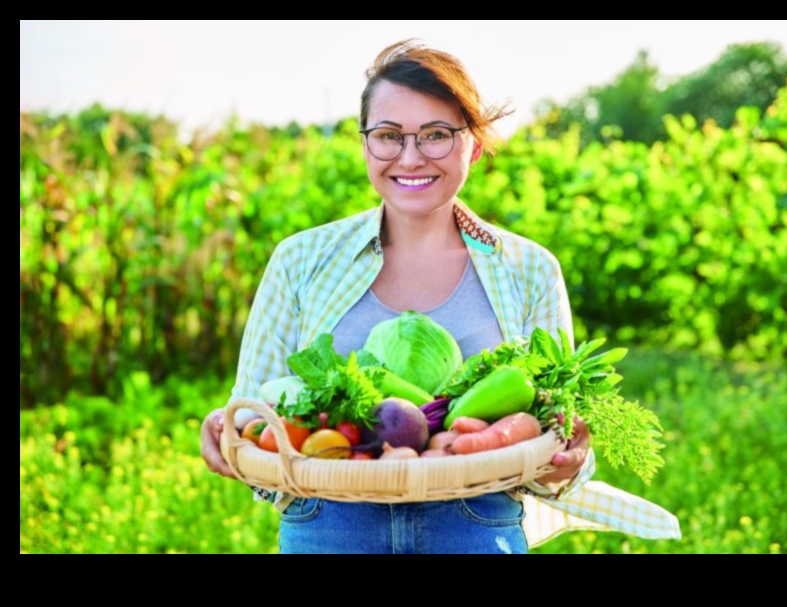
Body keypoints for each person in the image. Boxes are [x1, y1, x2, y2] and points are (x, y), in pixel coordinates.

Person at [201, 39, 678, 553]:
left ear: (474, 145)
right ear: (365, 145)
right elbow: (252, 410)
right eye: (388, 135)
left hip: (475, 524)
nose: (410, 157)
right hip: (329, 524)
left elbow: (556, 430)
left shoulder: (530, 270)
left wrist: (570, 457)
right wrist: (229, 429)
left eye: (436, 135)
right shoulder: (301, 260)